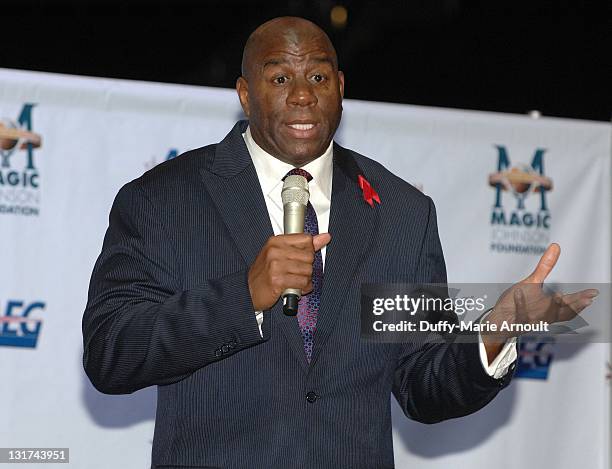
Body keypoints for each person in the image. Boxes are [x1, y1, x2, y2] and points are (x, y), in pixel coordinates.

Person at [82, 16, 597, 469]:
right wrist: (244, 295)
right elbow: (110, 353)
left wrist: (493, 332)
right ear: (245, 93)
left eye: (318, 77)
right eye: (280, 78)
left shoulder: (400, 213)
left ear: (341, 87)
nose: (302, 94)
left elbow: (424, 384)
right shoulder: (163, 199)